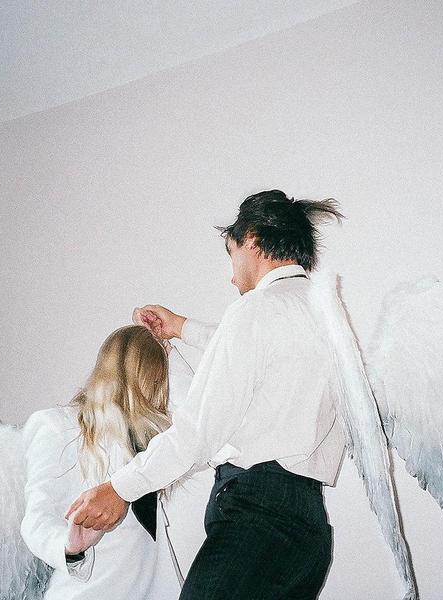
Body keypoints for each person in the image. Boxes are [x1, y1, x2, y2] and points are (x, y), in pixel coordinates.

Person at [66, 190, 347, 599]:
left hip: (256, 515)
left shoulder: (255, 311)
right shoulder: (324, 317)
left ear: (252, 240)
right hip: (308, 529)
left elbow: (198, 432)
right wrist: (180, 327)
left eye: (231, 254)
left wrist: (119, 488)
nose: (232, 277)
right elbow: (262, 357)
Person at [21, 324, 191, 600]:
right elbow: (36, 517)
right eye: (155, 373)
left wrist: (171, 351)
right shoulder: (59, 427)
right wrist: (70, 547)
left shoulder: (159, 442)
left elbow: (201, 419)